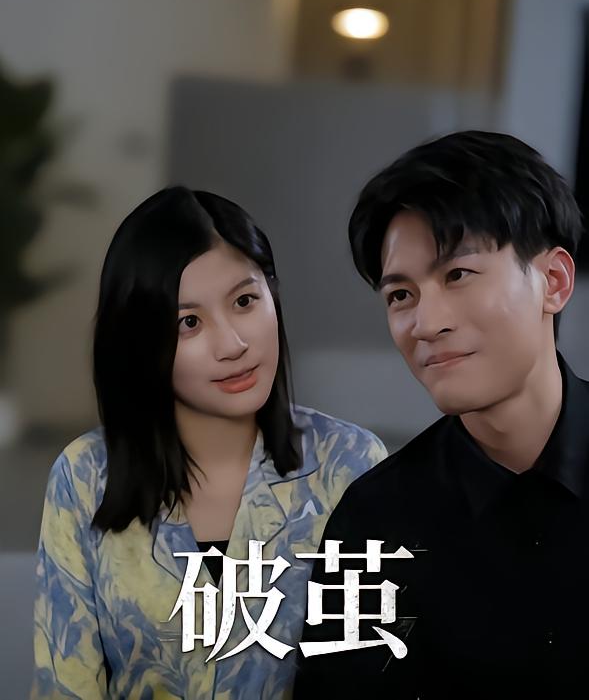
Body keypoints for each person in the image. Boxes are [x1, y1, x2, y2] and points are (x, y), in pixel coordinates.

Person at [31, 186, 387, 700]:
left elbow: (373, 676)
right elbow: (66, 686)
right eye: (189, 323)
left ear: (272, 296)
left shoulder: (350, 464)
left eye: (244, 301)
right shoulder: (85, 477)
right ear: (140, 341)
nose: (233, 344)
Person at [294, 131, 588, 699]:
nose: (427, 324)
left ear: (553, 282)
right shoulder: (373, 523)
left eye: (457, 275)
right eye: (401, 295)